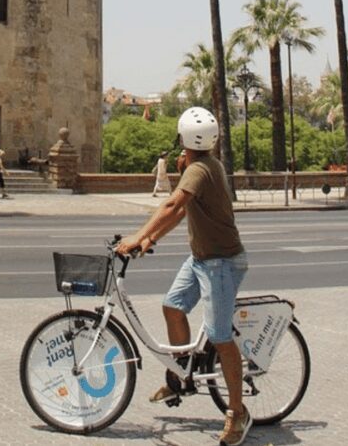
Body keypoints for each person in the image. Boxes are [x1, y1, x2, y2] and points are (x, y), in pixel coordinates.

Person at [115, 107, 250, 446]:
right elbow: (183, 211)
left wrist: (135, 235)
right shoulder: (201, 166)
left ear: (183, 139)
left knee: (220, 337)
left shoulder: (200, 170)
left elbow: (172, 206)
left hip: (221, 263)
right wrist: (150, 239)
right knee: (172, 306)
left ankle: (238, 412)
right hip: (202, 258)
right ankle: (183, 375)